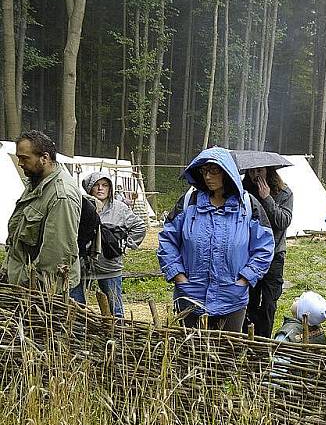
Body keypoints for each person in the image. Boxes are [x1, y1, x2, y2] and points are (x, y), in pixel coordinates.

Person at [158, 147, 274, 332]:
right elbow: (167, 240)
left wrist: (244, 279)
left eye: (214, 170)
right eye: (204, 171)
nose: (208, 177)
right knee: (191, 354)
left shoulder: (247, 205)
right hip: (191, 295)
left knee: (227, 354)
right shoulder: (189, 203)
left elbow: (264, 247)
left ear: (227, 172)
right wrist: (179, 277)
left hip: (232, 297)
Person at [1, 131, 81, 294]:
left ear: (44, 158)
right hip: (24, 285)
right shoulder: (36, 185)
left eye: (24, 158)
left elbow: (57, 256)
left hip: (45, 293)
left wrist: (34, 291)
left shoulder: (61, 195)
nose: (20, 163)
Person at [70, 171, 147, 318]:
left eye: (104, 185)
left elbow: (140, 226)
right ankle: (79, 337)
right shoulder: (79, 207)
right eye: (96, 185)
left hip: (110, 266)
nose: (100, 188)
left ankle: (117, 337)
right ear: (89, 188)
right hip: (82, 266)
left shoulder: (120, 209)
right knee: (77, 308)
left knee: (115, 310)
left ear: (110, 188)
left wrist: (125, 244)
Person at [242, 166, 293, 337]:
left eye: (259, 171)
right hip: (250, 255)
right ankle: (248, 338)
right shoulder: (244, 192)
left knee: (269, 302)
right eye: (251, 172)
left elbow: (283, 221)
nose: (255, 175)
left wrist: (267, 198)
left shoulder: (285, 193)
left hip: (275, 255)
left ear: (269, 171)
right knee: (249, 299)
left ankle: (264, 342)